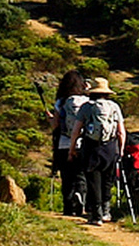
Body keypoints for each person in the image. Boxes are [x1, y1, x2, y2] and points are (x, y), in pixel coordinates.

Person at [68, 77, 125, 226]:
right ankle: (106, 212)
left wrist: (72, 149)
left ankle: (96, 215)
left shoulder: (86, 107)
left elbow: (76, 130)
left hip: (91, 147)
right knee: (107, 180)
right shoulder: (114, 107)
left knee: (93, 182)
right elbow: (121, 132)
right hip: (110, 148)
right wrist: (121, 149)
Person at [47, 70, 89, 216]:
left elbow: (56, 125)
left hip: (64, 143)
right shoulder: (86, 102)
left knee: (67, 176)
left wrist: (51, 119)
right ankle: (81, 201)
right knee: (81, 175)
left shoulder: (62, 102)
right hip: (83, 143)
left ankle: (68, 207)